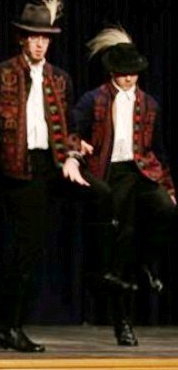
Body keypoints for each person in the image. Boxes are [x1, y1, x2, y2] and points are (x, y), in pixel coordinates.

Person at [0, 0, 89, 352]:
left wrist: (73, 154)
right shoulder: (1, 73)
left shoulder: (60, 78)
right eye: (34, 37)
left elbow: (70, 126)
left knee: (104, 195)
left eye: (45, 38)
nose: (39, 43)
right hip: (20, 169)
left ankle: (108, 271)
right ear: (22, 39)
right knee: (26, 249)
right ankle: (9, 328)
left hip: (55, 165)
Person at [73, 26, 176, 346]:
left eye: (134, 72)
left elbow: (158, 149)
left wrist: (170, 187)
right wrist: (77, 146)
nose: (129, 78)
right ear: (113, 72)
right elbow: (70, 128)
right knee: (120, 246)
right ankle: (123, 322)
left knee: (166, 208)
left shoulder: (149, 104)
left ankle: (146, 261)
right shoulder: (95, 99)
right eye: (124, 72)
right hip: (111, 174)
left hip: (142, 171)